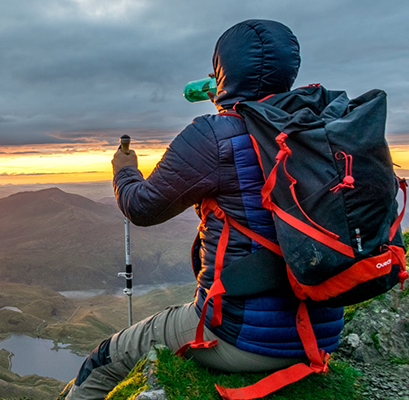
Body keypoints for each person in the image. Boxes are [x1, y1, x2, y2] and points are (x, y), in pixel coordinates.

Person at [60, 19, 344, 400]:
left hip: (242, 338)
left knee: (101, 360)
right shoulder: (323, 129)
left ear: (224, 70)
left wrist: (124, 169)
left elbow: (142, 208)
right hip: (324, 330)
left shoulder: (214, 135)